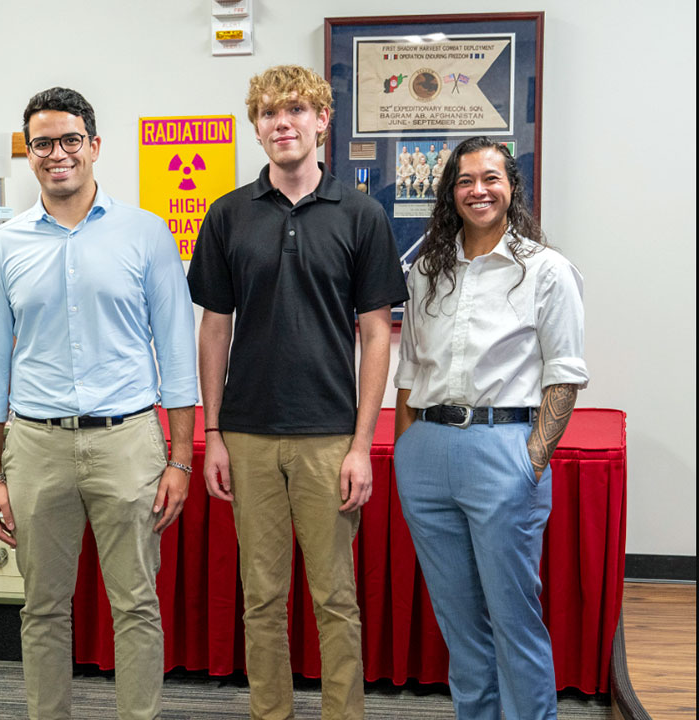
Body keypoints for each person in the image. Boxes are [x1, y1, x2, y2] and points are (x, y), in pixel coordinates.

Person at [0, 86, 197, 720]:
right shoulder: (2, 247)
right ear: (29, 153)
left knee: (136, 604)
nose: (57, 153)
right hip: (36, 445)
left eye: (71, 140)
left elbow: (178, 358)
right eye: (42, 143)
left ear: (94, 147)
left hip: (128, 440)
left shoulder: (147, 234)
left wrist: (179, 460)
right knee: (42, 606)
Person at [187, 65, 407, 720]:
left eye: (295, 110)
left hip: (330, 436)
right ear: (255, 129)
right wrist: (215, 435)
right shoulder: (227, 216)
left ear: (320, 121)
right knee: (261, 598)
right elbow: (213, 331)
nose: (281, 122)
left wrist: (363, 445)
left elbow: (376, 336)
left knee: (335, 597)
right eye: (268, 113)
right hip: (248, 437)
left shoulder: (361, 215)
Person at [393, 136, 588, 720]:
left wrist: (531, 460)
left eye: (490, 178)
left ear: (511, 188)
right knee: (459, 624)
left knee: (513, 618)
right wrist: (407, 451)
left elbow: (565, 373)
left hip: (503, 449)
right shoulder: (427, 269)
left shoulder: (545, 269)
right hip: (425, 453)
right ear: (450, 192)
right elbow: (409, 368)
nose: (478, 190)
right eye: (464, 180)